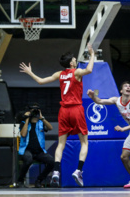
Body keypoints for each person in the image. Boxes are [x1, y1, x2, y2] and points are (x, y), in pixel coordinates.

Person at [19, 43, 95, 187]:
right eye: (74, 59)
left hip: (64, 111)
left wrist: (30, 72)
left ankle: (55, 172)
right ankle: (78, 170)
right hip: (76, 109)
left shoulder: (59, 74)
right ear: (72, 62)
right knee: (84, 142)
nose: (75, 60)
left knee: (61, 144)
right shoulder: (77, 72)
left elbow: (40, 81)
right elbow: (90, 69)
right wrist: (92, 54)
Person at [17, 103, 54, 188]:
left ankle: (39, 180)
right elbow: (23, 134)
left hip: (39, 151)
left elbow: (50, 128)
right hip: (27, 150)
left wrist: (42, 118)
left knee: (51, 161)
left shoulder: (41, 123)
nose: (34, 113)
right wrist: (26, 119)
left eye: (36, 111)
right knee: (28, 159)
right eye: (33, 111)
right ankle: (20, 180)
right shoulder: (23, 123)